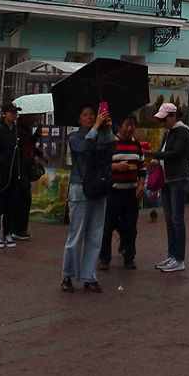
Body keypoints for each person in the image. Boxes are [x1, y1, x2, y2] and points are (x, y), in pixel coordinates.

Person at [61, 105, 113, 292]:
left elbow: (111, 149)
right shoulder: (74, 136)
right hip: (80, 188)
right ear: (79, 120)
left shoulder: (101, 134)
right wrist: (95, 127)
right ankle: (67, 275)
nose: (90, 117)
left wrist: (107, 129)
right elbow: (82, 149)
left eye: (93, 114)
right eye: (86, 115)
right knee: (76, 235)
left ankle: (89, 276)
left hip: (99, 189)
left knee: (95, 235)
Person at [148, 102, 189, 273]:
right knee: (169, 219)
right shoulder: (168, 133)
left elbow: (175, 153)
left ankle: (179, 258)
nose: (163, 123)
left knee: (177, 219)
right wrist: (157, 160)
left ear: (173, 116)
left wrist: (155, 154)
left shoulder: (182, 132)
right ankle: (171, 255)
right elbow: (166, 152)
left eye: (165, 119)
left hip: (178, 179)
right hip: (167, 180)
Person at [98, 115, 145, 270]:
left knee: (131, 227)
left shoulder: (136, 145)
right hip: (113, 192)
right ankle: (104, 258)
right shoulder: (112, 144)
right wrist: (115, 167)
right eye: (127, 125)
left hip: (131, 193)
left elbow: (142, 168)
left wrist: (141, 185)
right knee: (107, 227)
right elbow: (103, 165)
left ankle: (129, 256)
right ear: (120, 126)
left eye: (132, 125)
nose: (130, 129)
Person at [0, 102, 24, 248]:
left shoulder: (17, 131)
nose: (14, 115)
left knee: (10, 205)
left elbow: (19, 153)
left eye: (16, 112)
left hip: (13, 174)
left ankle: (7, 233)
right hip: (0, 175)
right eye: (12, 112)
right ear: (4, 114)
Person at [9, 113, 45, 241]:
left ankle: (20, 228)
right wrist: (36, 136)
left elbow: (31, 145)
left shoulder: (26, 130)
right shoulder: (19, 132)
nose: (33, 119)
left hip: (25, 169)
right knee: (22, 199)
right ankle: (17, 229)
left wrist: (40, 152)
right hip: (20, 169)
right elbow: (26, 145)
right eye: (31, 117)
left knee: (24, 199)